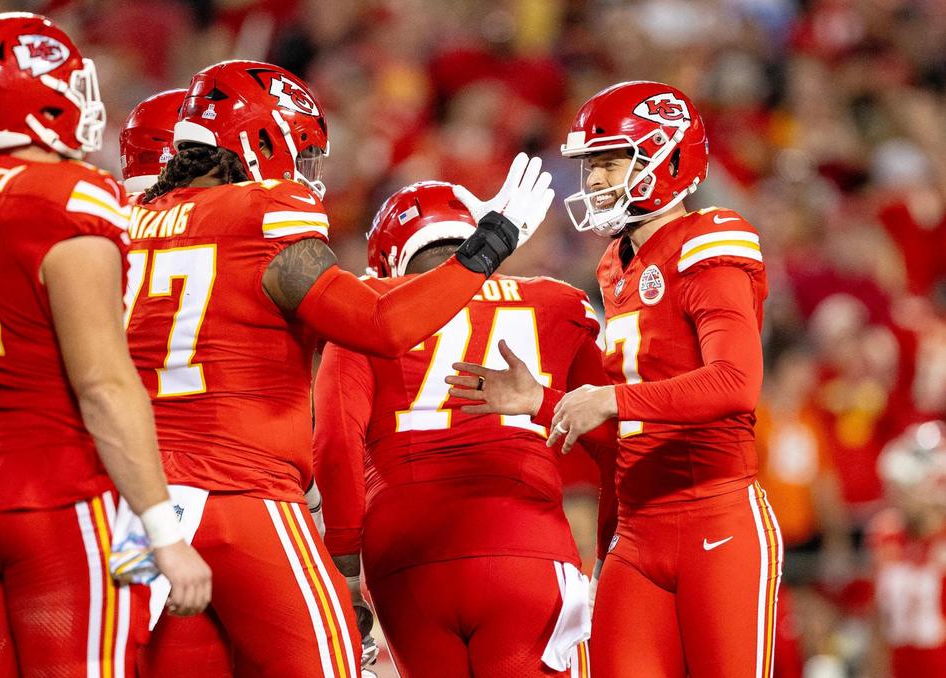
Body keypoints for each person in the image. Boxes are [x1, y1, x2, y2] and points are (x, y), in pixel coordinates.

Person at [124, 59, 553, 677]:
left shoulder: (129, 223)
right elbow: (381, 327)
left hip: (144, 504)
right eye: (302, 151)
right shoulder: (263, 213)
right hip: (244, 494)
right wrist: (489, 244)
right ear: (261, 138)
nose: (308, 174)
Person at [0, 12, 208, 676]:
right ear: (35, 96)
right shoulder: (71, 195)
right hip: (49, 500)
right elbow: (103, 385)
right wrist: (165, 533)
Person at [448, 81, 781, 678]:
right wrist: (545, 402)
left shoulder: (708, 241)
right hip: (637, 530)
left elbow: (734, 382)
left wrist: (607, 398)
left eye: (610, 159)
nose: (596, 179)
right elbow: (625, 421)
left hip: (717, 516)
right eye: (591, 164)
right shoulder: (615, 263)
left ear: (667, 155)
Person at [313, 181, 616, 677]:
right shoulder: (558, 304)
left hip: (406, 559)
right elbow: (616, 439)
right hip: (525, 545)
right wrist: (608, 550)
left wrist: (344, 568)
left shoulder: (363, 308)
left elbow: (335, 444)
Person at [868, 421, 946, 677]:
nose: (895, 495)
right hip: (901, 665)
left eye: (904, 487)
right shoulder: (887, 533)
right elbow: (881, 616)